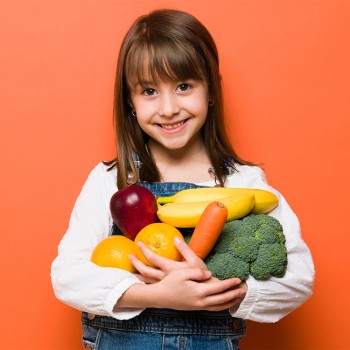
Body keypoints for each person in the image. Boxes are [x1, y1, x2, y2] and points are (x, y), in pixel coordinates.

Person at [51, 9, 314, 350]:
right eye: (149, 91)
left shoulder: (244, 183)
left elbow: (299, 279)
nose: (169, 107)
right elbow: (67, 275)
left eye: (184, 86)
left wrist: (221, 291)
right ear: (129, 101)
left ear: (210, 91)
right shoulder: (111, 180)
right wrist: (155, 294)